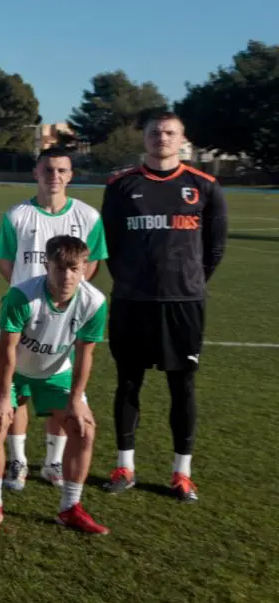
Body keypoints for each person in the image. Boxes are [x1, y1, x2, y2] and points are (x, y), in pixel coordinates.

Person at [100, 110, 227, 502]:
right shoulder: (121, 185)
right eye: (156, 132)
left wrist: (189, 280)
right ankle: (125, 465)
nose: (162, 138)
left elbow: (215, 246)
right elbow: (111, 245)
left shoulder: (204, 185)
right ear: (145, 138)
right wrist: (132, 280)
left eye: (170, 133)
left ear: (182, 139)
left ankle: (181, 472)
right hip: (133, 301)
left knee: (182, 385)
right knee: (128, 382)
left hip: (183, 302)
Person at [0, 236, 110, 535]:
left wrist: (77, 398)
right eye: (59, 268)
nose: (67, 276)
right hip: (11, 367)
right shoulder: (22, 296)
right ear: (46, 265)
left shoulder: (95, 302)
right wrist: (2, 396)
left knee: (83, 428)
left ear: (85, 268)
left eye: (74, 269)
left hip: (56, 371)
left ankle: (70, 508)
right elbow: (6, 350)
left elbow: (85, 354)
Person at [0, 146, 106, 491]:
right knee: (18, 387)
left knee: (60, 385)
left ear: (70, 175)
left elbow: (94, 264)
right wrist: (28, 294)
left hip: (65, 318)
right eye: (47, 170)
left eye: (61, 170)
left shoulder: (88, 217)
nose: (53, 177)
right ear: (35, 173)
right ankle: (18, 459)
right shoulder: (16, 216)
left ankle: (53, 461)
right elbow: (6, 263)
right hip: (25, 313)